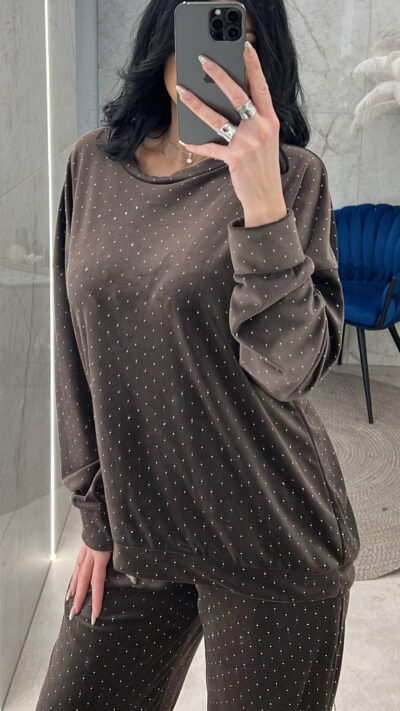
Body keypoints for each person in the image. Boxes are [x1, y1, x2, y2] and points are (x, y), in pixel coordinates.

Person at [36, 1, 360, 709]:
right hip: (139, 533)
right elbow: (74, 350)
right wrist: (96, 517)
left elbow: (293, 366)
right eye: (198, 29)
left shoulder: (293, 177)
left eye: (235, 34)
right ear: (164, 37)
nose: (213, 57)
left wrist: (262, 201)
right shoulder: (92, 165)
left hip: (271, 533)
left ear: (263, 54)